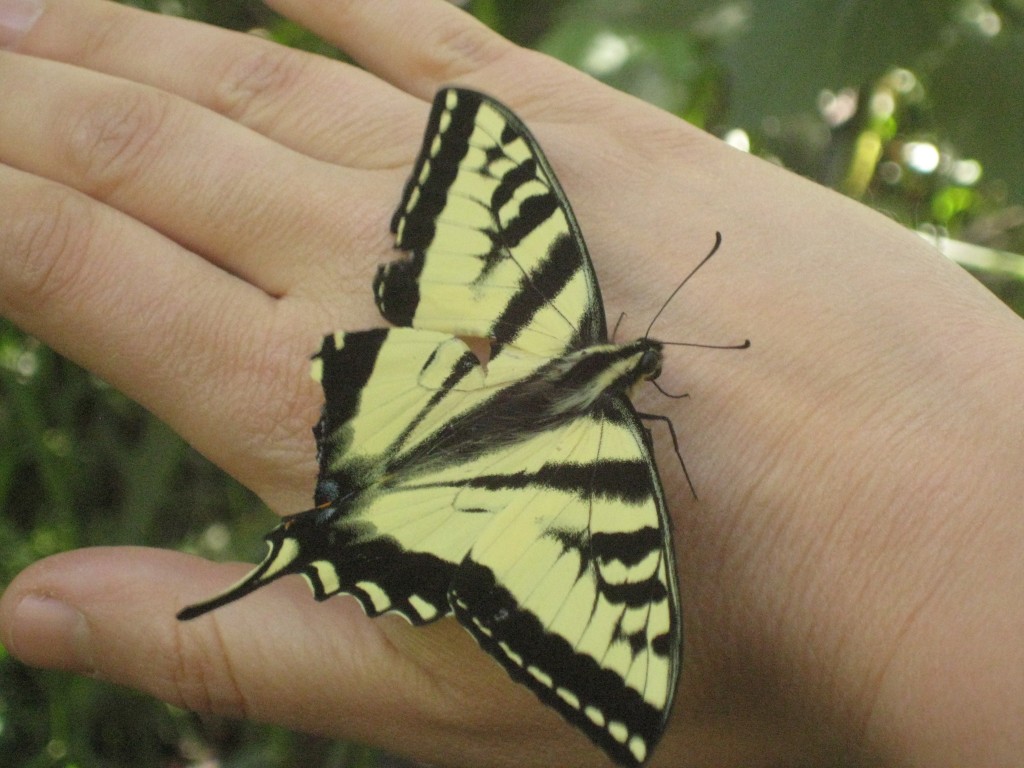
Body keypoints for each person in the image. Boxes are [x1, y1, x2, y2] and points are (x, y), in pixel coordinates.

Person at [0, 1, 1020, 765]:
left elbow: (619, 646)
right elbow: (617, 622)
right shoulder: (618, 456)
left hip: (431, 391)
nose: (646, 367)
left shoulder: (561, 314)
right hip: (475, 487)